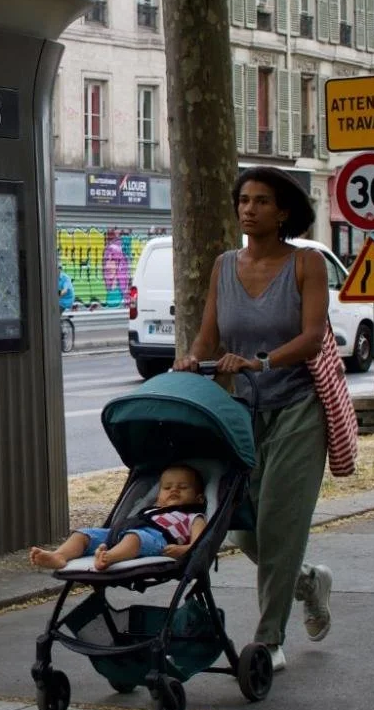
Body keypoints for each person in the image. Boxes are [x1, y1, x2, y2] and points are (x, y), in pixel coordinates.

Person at [173, 167, 333, 673]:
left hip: (298, 410)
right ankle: (307, 583)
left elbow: (312, 337)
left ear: (283, 211)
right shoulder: (225, 266)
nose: (249, 209)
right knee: (245, 532)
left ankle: (268, 640)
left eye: (262, 201)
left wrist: (261, 362)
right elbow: (209, 336)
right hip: (242, 413)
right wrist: (189, 359)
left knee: (280, 526)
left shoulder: (306, 264)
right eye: (243, 199)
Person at [31, 464, 206, 571]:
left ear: (199, 498)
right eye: (167, 488)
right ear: (158, 496)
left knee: (135, 538)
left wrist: (183, 550)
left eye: (182, 487)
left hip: (157, 539)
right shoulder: (152, 509)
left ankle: (109, 558)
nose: (174, 490)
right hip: (120, 533)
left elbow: (201, 542)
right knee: (83, 534)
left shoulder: (192, 516)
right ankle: (59, 556)